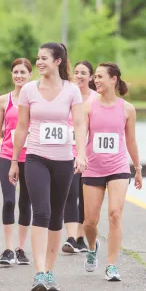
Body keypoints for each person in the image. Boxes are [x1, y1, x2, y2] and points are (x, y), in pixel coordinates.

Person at [9, 42, 87, 291]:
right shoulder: (29, 90)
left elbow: (79, 124)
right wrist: (13, 160)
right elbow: (22, 127)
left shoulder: (72, 90)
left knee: (56, 216)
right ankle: (39, 271)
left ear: (58, 61)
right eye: (38, 58)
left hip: (64, 160)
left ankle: (50, 271)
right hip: (36, 158)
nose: (39, 62)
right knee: (40, 211)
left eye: (44, 58)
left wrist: (81, 154)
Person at [82, 62, 143, 282]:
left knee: (115, 214)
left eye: (99, 77)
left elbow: (131, 140)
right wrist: (79, 155)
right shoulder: (88, 106)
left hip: (118, 167)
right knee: (90, 221)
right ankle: (92, 246)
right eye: (95, 77)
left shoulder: (127, 109)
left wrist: (137, 168)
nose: (95, 80)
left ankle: (111, 265)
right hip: (92, 168)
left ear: (113, 79)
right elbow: (80, 135)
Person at [0, 58, 33, 266]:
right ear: (11, 75)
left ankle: (21, 248)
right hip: (7, 156)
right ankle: (7, 249)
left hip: (31, 158)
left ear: (30, 75)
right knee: (8, 200)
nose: (19, 76)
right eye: (16, 72)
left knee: (25, 202)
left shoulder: (36, 99)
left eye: (23, 72)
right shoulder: (4, 101)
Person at [62, 61, 98, 254]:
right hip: (69, 153)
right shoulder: (68, 96)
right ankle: (70, 238)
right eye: (76, 72)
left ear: (91, 77)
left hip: (90, 155)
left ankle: (81, 237)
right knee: (70, 194)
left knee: (85, 199)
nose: (79, 76)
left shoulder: (96, 99)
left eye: (84, 73)